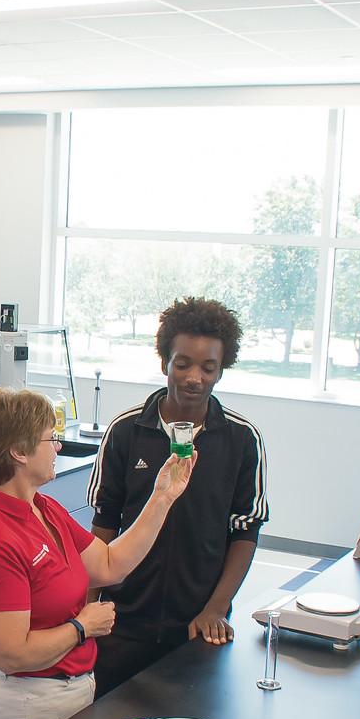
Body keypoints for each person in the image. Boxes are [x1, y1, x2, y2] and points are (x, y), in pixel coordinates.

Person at [0, 387, 193, 719]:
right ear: (19, 451)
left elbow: (110, 564)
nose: (58, 448)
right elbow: (6, 652)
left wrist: (162, 497)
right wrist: (81, 627)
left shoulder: (43, 508)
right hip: (22, 706)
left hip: (66, 692)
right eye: (51, 438)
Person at [86, 296, 268, 698]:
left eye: (208, 367)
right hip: (123, 621)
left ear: (222, 370)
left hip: (197, 623)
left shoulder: (241, 439)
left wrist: (216, 608)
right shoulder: (126, 431)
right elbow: (103, 526)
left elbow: (245, 533)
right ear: (164, 362)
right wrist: (87, 608)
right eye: (182, 363)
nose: (194, 378)